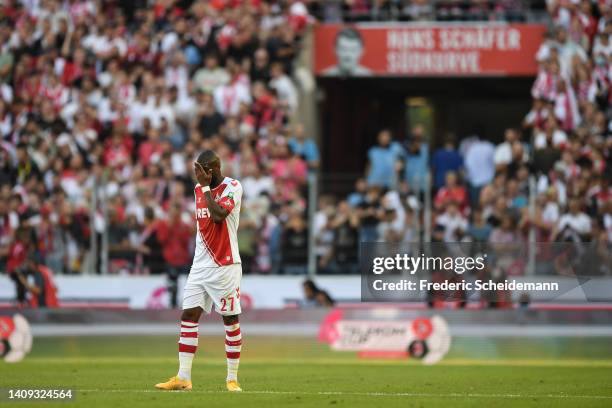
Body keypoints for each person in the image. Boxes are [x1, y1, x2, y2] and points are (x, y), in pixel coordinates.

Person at [155, 150, 244, 392]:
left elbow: (218, 216)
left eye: (199, 171)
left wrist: (205, 189)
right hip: (200, 266)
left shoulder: (233, 187)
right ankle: (183, 377)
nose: (195, 176)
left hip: (225, 265)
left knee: (230, 320)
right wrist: (202, 187)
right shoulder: (197, 190)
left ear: (211, 170)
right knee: (188, 316)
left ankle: (232, 379)